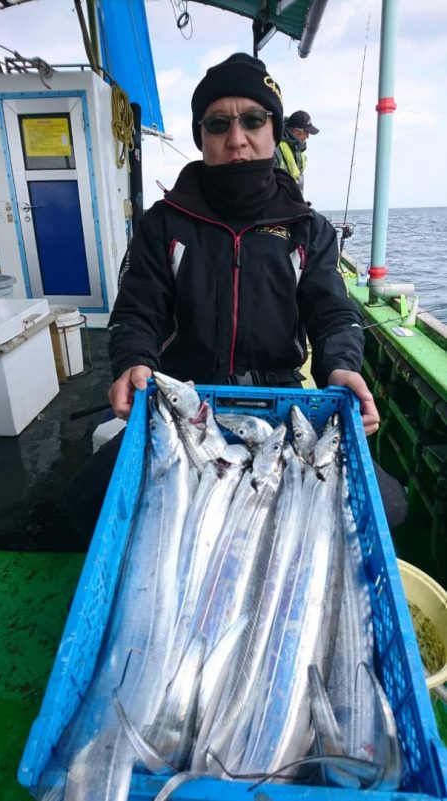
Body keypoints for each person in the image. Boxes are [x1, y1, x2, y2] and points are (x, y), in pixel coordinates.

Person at [67, 52, 406, 543]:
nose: (236, 138)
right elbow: (138, 311)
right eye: (218, 123)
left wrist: (341, 365)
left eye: (252, 120)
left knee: (389, 508)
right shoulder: (162, 224)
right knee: (83, 502)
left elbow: (333, 312)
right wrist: (132, 362)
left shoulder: (308, 230)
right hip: (184, 403)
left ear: (274, 130)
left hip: (283, 399)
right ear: (201, 135)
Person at [274, 109, 319, 194]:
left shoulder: (299, 153)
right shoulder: (275, 148)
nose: (308, 136)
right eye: (306, 132)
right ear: (296, 132)